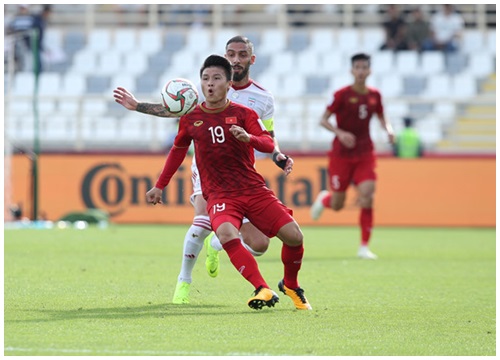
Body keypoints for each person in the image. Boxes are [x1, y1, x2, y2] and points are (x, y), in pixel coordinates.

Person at [113, 35, 293, 305]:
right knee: (202, 221)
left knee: (260, 245)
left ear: (251, 59)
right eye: (231, 53)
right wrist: (138, 105)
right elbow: (176, 111)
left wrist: (277, 155)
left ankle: (218, 244)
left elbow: (268, 133)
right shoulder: (211, 83)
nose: (235, 59)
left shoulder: (263, 98)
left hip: (242, 175)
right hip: (207, 171)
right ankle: (183, 282)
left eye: (242, 54)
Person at [146, 54, 311, 310]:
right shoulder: (191, 118)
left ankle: (290, 284)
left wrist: (249, 138)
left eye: (216, 78)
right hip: (220, 194)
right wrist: (160, 185)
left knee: (294, 236)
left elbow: (267, 142)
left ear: (228, 84)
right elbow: (177, 151)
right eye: (205, 79)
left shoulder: (244, 113)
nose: (210, 84)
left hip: (253, 189)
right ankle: (261, 288)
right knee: (224, 233)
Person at [310, 53, 395, 260]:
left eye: (364, 67)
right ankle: (326, 199)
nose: (360, 71)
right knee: (338, 204)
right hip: (341, 154)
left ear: (369, 71)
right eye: (357, 67)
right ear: (351, 70)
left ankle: (364, 247)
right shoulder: (341, 95)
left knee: (368, 196)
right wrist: (340, 133)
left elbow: (382, 116)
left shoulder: (375, 95)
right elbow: (323, 120)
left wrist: (389, 130)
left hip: (365, 152)